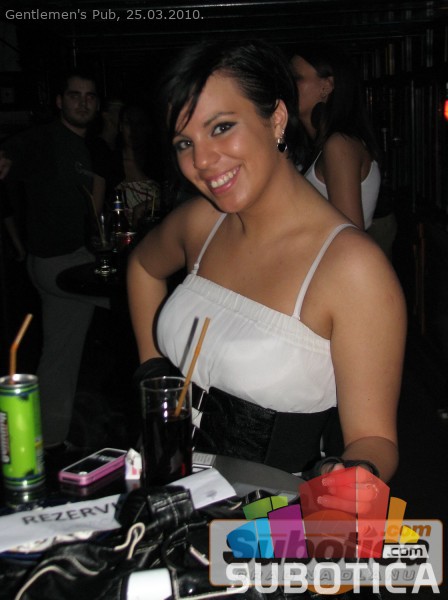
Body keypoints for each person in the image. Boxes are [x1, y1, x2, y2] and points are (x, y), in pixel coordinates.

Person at [127, 40, 406, 491]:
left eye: (221, 128)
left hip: (266, 512)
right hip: (167, 484)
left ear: (276, 119)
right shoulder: (203, 222)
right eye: (185, 142)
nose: (201, 161)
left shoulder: (351, 268)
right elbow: (143, 265)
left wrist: (353, 474)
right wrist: (152, 371)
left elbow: (374, 438)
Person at [1, 69, 110, 450]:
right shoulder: (46, 139)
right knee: (141, 302)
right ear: (60, 101)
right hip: (60, 264)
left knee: (60, 355)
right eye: (75, 95)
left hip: (64, 259)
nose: (83, 102)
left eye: (90, 96)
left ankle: (48, 440)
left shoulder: (84, 147)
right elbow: (15, 151)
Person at [290, 46, 381, 231]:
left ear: (326, 86)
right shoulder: (315, 145)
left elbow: (350, 232)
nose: (286, 84)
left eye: (296, 78)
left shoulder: (339, 145)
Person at [114, 104, 162, 230]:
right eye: (128, 123)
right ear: (120, 127)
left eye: (139, 124)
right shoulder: (111, 164)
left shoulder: (160, 163)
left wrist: (148, 205)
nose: (133, 129)